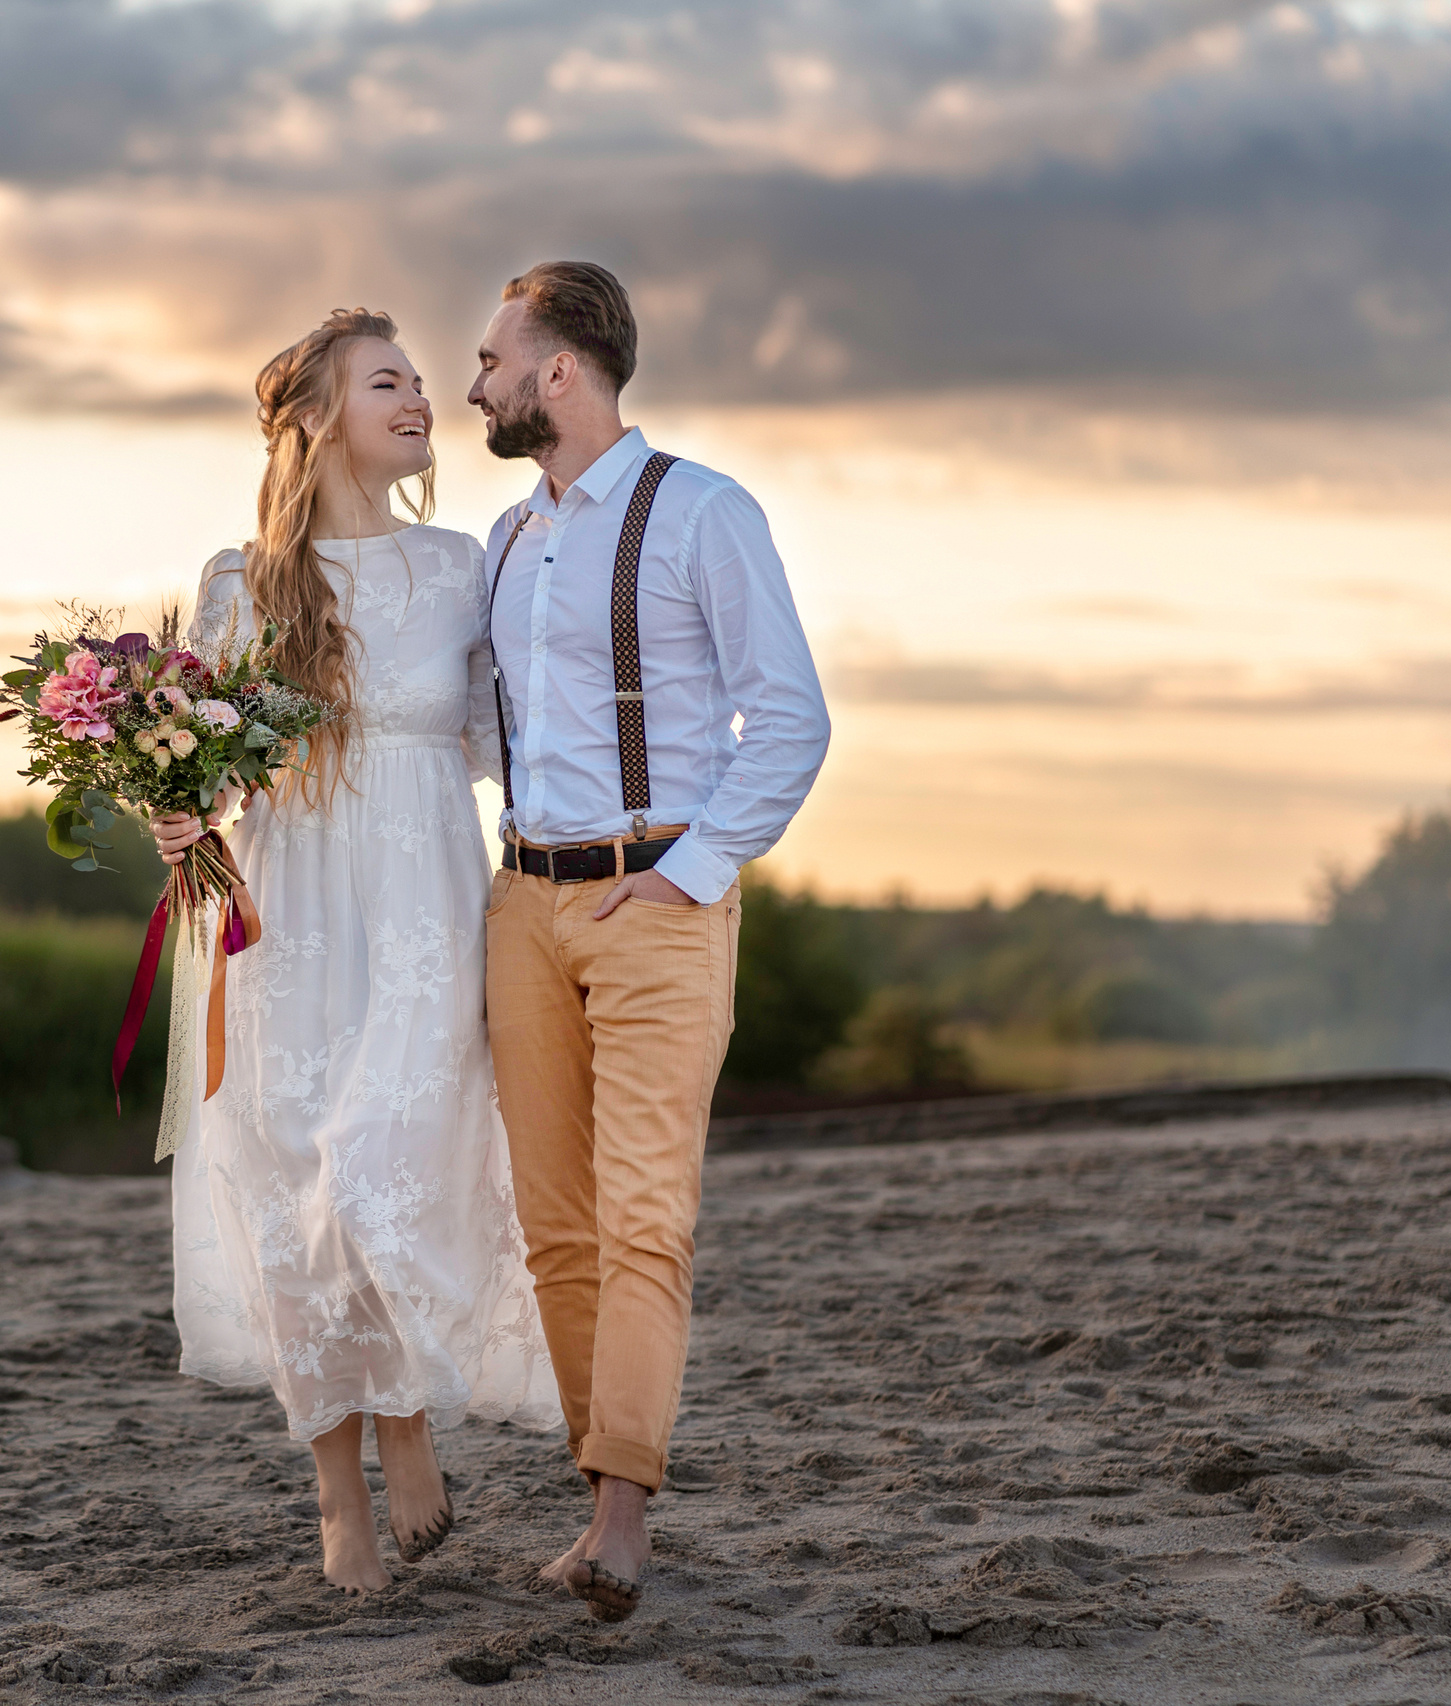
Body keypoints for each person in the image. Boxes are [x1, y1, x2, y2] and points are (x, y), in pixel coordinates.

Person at [150, 308, 560, 1595]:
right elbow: (203, 765)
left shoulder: (460, 566)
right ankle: (339, 1487)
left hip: (426, 907)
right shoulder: (244, 583)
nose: (422, 396)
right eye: (389, 381)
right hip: (291, 911)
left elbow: (505, 741)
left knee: (387, 1157)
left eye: (423, 379)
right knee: (291, 1179)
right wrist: (174, 809)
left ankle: (407, 1418)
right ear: (323, 418)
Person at [468, 261, 832, 1622]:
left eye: (493, 360)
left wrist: (689, 876)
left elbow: (789, 717)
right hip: (523, 903)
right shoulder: (504, 539)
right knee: (554, 1227)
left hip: (655, 899)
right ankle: (597, 1490)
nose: (475, 385)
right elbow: (476, 732)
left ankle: (622, 1512)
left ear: (558, 370)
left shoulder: (704, 510)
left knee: (642, 1214)